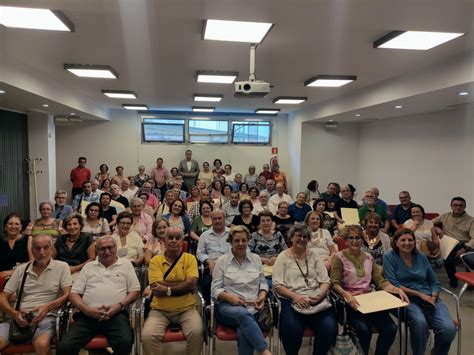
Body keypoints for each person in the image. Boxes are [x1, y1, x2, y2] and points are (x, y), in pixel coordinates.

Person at [331, 225, 408, 355]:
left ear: (363, 240)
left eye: (358, 238)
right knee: (364, 330)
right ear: (346, 240)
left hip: (371, 300)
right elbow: (334, 283)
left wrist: (396, 289)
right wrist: (346, 294)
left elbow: (380, 281)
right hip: (352, 302)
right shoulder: (339, 257)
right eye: (351, 238)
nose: (355, 241)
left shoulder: (369, 257)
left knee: (391, 328)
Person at [57, 236, 140, 355]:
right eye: (102, 249)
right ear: (97, 250)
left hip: (116, 314)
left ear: (115, 248)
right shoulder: (88, 267)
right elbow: (74, 294)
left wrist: (119, 306)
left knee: (125, 342)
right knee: (65, 346)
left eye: (110, 248)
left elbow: (135, 290)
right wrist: (87, 310)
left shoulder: (125, 264)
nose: (107, 252)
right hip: (87, 316)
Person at [384, 229, 457, 355]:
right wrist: (419, 294)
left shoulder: (421, 256)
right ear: (396, 242)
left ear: (414, 242)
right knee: (420, 322)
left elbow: (434, 281)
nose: (407, 243)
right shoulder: (389, 257)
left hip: (429, 297)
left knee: (449, 329)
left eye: (410, 240)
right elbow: (394, 284)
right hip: (404, 298)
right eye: (403, 240)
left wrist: (433, 297)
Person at [0, 234, 72, 354]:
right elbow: (2, 296)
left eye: (46, 247)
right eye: (37, 248)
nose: (41, 252)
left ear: (52, 249)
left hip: (47, 318)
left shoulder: (62, 267)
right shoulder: (21, 269)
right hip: (18, 319)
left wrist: (47, 307)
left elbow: (67, 295)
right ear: (32, 250)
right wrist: (14, 313)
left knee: (41, 344)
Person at [273, 224, 338, 355]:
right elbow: (277, 285)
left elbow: (325, 281)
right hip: (291, 299)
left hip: (316, 298)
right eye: (299, 236)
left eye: (305, 236)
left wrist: (320, 295)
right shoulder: (283, 257)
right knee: (292, 329)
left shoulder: (314, 256)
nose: (302, 239)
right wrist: (296, 297)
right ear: (291, 237)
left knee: (330, 327)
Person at [142, 227, 203, 355]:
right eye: (170, 238)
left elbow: (192, 284)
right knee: (148, 336)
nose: (174, 241)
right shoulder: (155, 261)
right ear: (164, 240)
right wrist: (184, 284)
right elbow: (157, 288)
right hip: (160, 310)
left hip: (186, 309)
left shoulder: (190, 259)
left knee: (197, 332)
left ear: (182, 241)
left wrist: (167, 289)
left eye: (177, 238)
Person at [211, 225, 271, 355]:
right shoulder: (222, 261)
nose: (241, 244)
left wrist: (262, 295)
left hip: (253, 308)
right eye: (237, 240)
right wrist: (229, 297)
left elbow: (263, 282)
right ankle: (265, 352)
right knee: (242, 314)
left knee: (244, 332)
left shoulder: (255, 259)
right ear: (230, 242)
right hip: (227, 309)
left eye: (244, 240)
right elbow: (214, 290)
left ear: (248, 240)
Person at [436, 197, 474, 288]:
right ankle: (453, 279)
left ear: (465, 207)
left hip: (464, 244)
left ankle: (469, 281)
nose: (458, 207)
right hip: (448, 244)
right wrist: (436, 228)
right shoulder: (444, 216)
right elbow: (431, 222)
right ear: (451, 206)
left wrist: (465, 248)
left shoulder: (471, 220)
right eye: (455, 205)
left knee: (469, 259)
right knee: (448, 260)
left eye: (461, 205)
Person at [197, 209, 230, 303]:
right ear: (211, 220)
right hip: (213, 267)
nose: (217, 221)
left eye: (220, 218)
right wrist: (208, 261)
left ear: (224, 219)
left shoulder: (232, 233)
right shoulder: (205, 235)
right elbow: (200, 253)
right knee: (206, 283)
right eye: (214, 219)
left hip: (231, 265)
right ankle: (209, 308)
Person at [249, 211, 287, 281]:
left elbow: (285, 251)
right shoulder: (254, 235)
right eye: (263, 221)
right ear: (260, 223)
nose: (266, 223)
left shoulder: (278, 234)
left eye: (268, 220)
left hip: (277, 265)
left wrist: (277, 258)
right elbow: (248, 252)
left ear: (272, 222)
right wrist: (261, 259)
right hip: (259, 267)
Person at [403, 204, 443, 269]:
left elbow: (435, 239)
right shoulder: (406, 223)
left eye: (418, 212)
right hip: (413, 250)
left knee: (439, 261)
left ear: (422, 213)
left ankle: (429, 277)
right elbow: (405, 238)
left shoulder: (429, 223)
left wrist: (437, 249)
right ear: (411, 214)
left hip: (429, 249)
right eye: (413, 212)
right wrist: (414, 227)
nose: (416, 214)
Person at [1, 213, 33, 277]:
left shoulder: (29, 239)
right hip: (2, 277)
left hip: (23, 275)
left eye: (17, 224)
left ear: (21, 227)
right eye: (10, 224)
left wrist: (12, 272)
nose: (13, 226)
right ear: (5, 227)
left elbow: (32, 262)